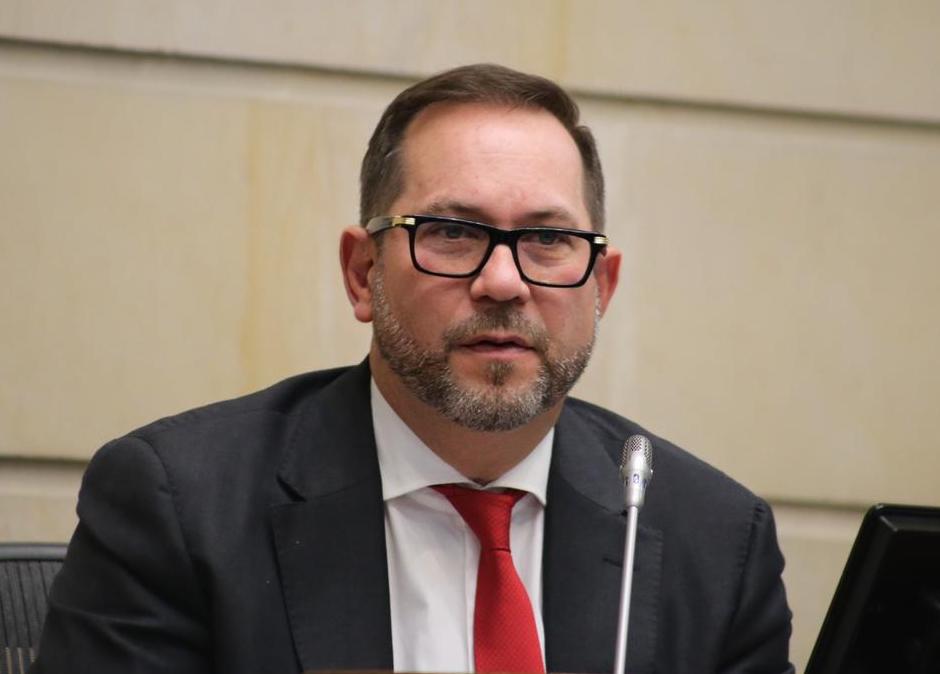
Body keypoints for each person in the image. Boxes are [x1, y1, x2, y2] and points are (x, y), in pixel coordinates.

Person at [33, 64, 793, 674]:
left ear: (602, 287)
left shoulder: (713, 539)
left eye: (548, 241)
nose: (504, 282)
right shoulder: (180, 507)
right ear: (363, 273)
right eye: (453, 233)